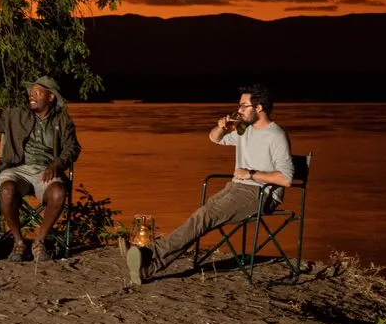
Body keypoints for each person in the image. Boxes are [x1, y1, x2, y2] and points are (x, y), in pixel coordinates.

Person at [124, 83, 292, 286]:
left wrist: (251, 174)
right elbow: (214, 138)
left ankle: (148, 253)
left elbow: (286, 178)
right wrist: (220, 128)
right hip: (236, 188)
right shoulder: (244, 130)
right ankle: (149, 266)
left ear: (259, 108)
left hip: (261, 195)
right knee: (200, 217)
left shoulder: (276, 135)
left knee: (203, 217)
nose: (239, 110)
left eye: (243, 106)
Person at [0, 76, 80, 262]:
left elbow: (72, 148)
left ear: (51, 97)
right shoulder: (16, 116)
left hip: (46, 170)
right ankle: (19, 242)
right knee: (6, 190)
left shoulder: (63, 122)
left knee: (58, 193)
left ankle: (39, 241)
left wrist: (57, 163)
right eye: (31, 92)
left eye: (37, 92)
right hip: (17, 168)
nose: (31, 95)